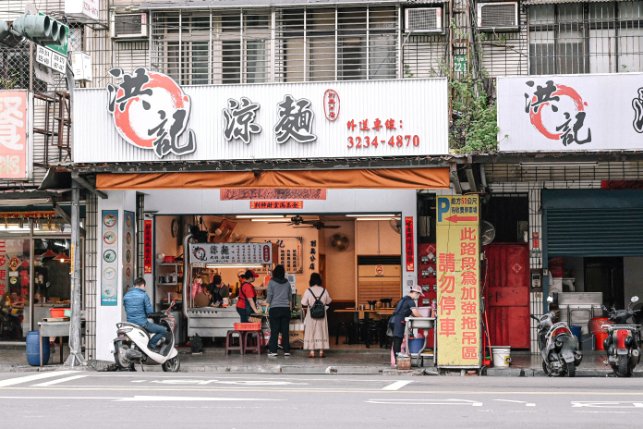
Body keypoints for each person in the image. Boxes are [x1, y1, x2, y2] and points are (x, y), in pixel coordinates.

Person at [123, 277, 169, 350]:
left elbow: (126, 309)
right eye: (144, 286)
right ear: (142, 285)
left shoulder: (126, 296)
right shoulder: (144, 295)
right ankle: (151, 345)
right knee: (163, 330)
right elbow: (149, 312)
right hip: (142, 324)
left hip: (131, 323)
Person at [301, 272, 332, 358]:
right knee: (322, 331)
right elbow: (329, 301)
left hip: (311, 314)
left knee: (311, 332)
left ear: (311, 280)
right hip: (322, 314)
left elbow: (303, 302)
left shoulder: (308, 291)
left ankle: (312, 352)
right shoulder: (324, 290)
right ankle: (321, 351)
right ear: (319, 280)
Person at [389, 285, 423, 359]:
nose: (419, 297)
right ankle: (397, 360)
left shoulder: (404, 299)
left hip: (392, 320)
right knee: (398, 340)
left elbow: (411, 313)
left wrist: (416, 316)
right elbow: (415, 313)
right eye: (419, 294)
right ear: (415, 293)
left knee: (396, 340)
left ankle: (396, 358)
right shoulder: (411, 301)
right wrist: (424, 317)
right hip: (398, 321)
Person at [266, 264, 292, 357]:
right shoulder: (287, 283)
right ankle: (287, 351)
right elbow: (290, 297)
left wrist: (266, 308)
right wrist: (290, 307)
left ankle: (273, 351)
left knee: (275, 331)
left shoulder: (271, 282)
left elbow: (269, 296)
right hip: (285, 309)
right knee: (285, 331)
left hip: (275, 309)